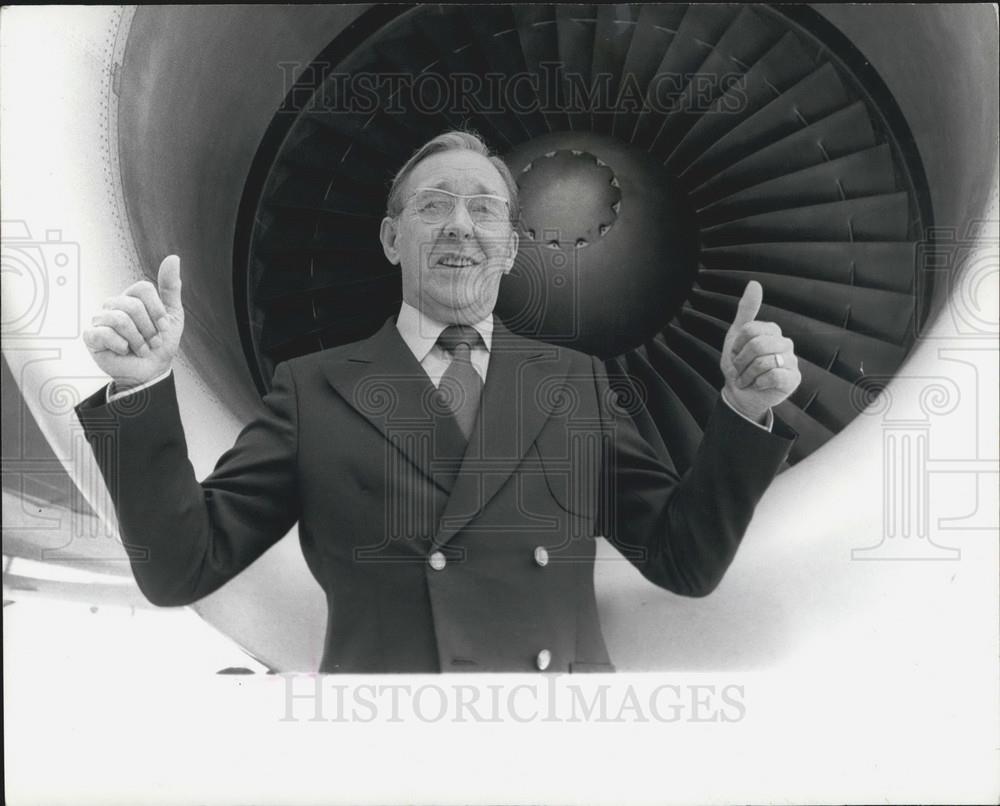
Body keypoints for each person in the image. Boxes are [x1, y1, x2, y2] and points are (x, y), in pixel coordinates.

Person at [76, 131, 801, 674]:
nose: (460, 224)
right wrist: (141, 389)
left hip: (566, 750)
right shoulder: (312, 389)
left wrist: (740, 409)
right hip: (391, 751)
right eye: (433, 206)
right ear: (394, 239)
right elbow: (181, 568)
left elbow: (686, 559)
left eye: (484, 209)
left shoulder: (573, 384)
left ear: (511, 248)